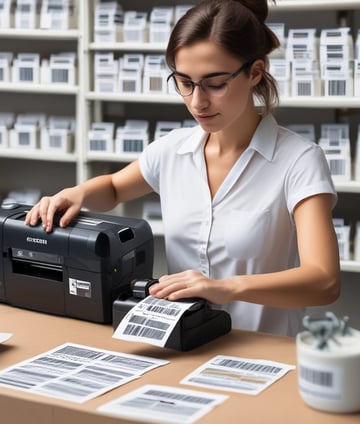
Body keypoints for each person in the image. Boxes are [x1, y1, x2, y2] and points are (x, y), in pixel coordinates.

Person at [26, 0, 340, 336]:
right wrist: (78, 193)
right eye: (184, 82)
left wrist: (227, 287)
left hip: (263, 351)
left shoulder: (298, 161)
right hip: (185, 343)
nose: (197, 101)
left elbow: (324, 280)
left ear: (255, 73)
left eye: (215, 83)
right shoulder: (173, 150)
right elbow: (115, 188)